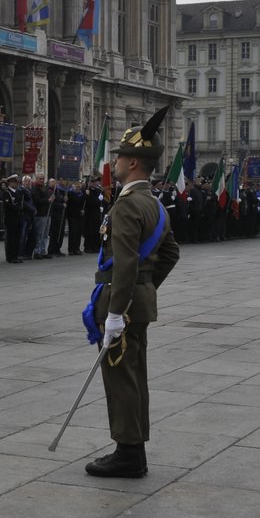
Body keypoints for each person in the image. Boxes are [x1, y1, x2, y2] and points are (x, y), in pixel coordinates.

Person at [84, 108, 181, 479]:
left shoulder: (127, 205)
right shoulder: (154, 204)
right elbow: (171, 253)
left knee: (121, 378)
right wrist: (146, 287)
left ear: (135, 163)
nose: (117, 163)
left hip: (120, 305)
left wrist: (114, 312)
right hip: (138, 303)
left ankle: (127, 453)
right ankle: (134, 449)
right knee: (134, 376)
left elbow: (124, 264)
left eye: (121, 157)